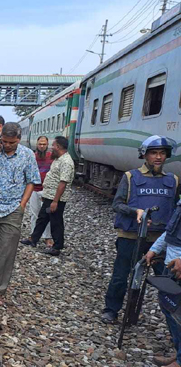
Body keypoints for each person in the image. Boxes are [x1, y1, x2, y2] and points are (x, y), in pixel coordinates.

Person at [101, 135, 179, 324]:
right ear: (145, 155)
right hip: (130, 236)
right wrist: (135, 211)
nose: (158, 157)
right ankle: (111, 309)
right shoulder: (130, 177)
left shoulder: (173, 180)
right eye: (154, 153)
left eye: (162, 153)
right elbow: (117, 204)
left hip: (160, 240)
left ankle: (173, 317)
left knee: (168, 281)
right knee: (121, 276)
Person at [0, 122, 40, 307]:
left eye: (12, 142)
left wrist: (22, 205)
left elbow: (31, 181)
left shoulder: (27, 155)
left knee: (6, 249)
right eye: (5, 141)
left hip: (11, 209)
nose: (8, 145)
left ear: (19, 139)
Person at [20, 136, 74, 256]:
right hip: (49, 196)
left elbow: (63, 183)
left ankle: (57, 246)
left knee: (56, 221)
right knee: (42, 217)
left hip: (56, 198)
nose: (51, 147)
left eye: (53, 145)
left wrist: (55, 201)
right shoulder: (58, 159)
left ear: (59, 147)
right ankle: (33, 239)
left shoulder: (66, 162)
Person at [145, 204, 181, 367]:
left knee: (177, 312)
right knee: (169, 307)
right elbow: (171, 232)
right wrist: (155, 249)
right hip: (173, 266)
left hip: (178, 268)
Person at [23, 136, 52, 246]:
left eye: (44, 144)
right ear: (37, 144)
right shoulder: (32, 157)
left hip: (47, 190)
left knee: (47, 215)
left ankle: (47, 237)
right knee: (34, 214)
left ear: (47, 145)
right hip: (34, 189)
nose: (42, 146)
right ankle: (33, 235)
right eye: (40, 144)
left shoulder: (51, 157)